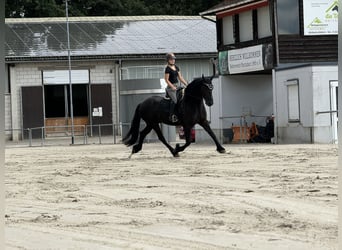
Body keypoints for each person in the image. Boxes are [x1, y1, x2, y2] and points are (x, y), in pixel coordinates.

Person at [164, 53, 188, 122]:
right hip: (170, 87)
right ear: (168, 60)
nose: (173, 60)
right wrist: (172, 86)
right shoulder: (167, 69)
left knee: (182, 97)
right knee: (175, 100)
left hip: (177, 86)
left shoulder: (176, 67)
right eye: (171, 59)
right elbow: (166, 80)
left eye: (174, 59)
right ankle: (171, 116)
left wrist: (187, 84)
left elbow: (180, 78)